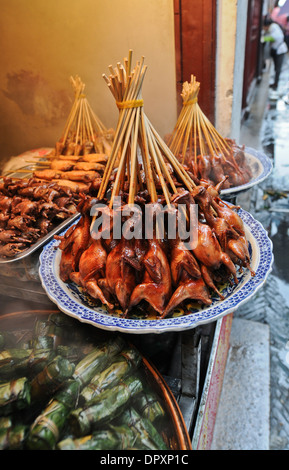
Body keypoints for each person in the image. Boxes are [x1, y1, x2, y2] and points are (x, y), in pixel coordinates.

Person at [263, 16, 288, 98]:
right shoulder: (272, 27)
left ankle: (276, 84)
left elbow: (276, 37)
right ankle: (274, 83)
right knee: (276, 68)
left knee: (278, 68)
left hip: (280, 50)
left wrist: (265, 39)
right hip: (276, 50)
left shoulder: (273, 27)